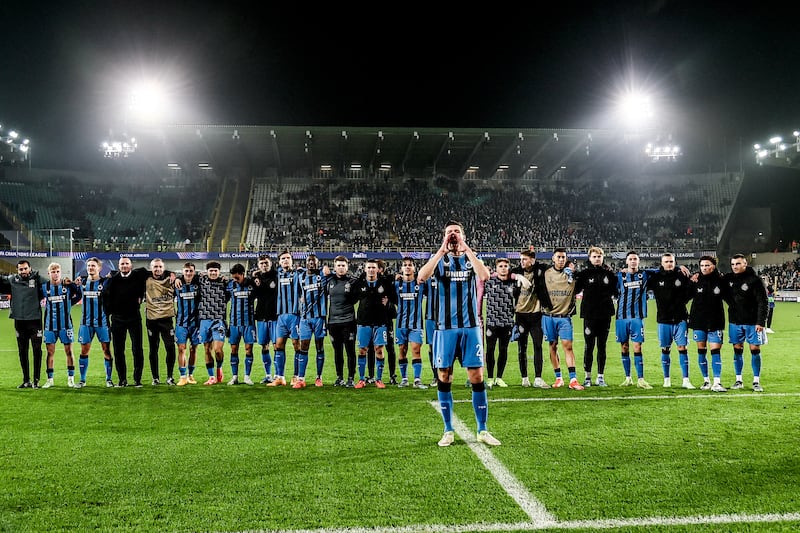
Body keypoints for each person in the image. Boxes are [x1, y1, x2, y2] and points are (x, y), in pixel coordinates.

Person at [418, 221, 499, 447]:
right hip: (445, 328)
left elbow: (484, 275)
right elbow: (421, 277)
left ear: (463, 235)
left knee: (477, 377)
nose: (453, 235)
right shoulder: (440, 261)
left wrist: (466, 248)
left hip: (471, 327)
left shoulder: (470, 260)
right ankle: (448, 430)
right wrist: (441, 250)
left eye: (456, 232)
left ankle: (482, 429)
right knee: (444, 377)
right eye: (449, 232)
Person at [536, 248, 584, 390]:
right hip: (548, 317)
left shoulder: (573, 276)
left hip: (564, 318)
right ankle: (559, 378)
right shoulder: (546, 273)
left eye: (563, 257)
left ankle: (573, 379)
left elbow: (584, 278)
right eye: (559, 257)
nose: (561, 259)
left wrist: (575, 273)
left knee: (568, 346)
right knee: (552, 346)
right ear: (553, 258)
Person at [645, 253, 694, 389]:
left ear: (675, 262)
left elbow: (690, 290)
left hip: (680, 319)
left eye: (672, 261)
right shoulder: (655, 278)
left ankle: (686, 380)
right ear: (662, 263)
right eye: (666, 261)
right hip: (663, 319)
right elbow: (643, 273)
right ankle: (666, 379)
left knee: (682, 348)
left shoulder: (681, 275)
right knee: (665, 349)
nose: (669, 264)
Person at [102, 256, 150, 387]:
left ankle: (137, 379)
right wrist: (110, 312)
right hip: (117, 319)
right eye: (122, 264)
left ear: (131, 265)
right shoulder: (112, 280)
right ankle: (122, 379)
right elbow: (105, 296)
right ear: (118, 266)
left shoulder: (139, 275)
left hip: (134, 318)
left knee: (137, 349)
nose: (124, 266)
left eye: (126, 264)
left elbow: (156, 272)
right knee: (118, 350)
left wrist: (172, 274)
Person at [574, 246, 617, 387]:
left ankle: (600, 376)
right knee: (589, 346)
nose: (597, 259)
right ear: (590, 258)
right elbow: (575, 289)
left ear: (602, 257)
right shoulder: (584, 274)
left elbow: (616, 292)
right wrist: (572, 275)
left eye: (599, 256)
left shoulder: (609, 274)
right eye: (594, 256)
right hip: (589, 315)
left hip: (605, 315)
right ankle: (587, 377)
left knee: (602, 346)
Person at [350, 258, 397, 388]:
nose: (371, 270)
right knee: (362, 350)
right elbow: (352, 299)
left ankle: (379, 379)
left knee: (379, 349)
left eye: (373, 267)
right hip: (363, 322)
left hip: (380, 322)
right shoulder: (359, 283)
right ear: (365, 269)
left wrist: (389, 303)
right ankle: (361, 379)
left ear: (378, 269)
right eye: (368, 267)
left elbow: (394, 298)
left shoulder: (385, 283)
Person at [724, 254, 768, 392]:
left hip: (752, 322)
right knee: (737, 350)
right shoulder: (728, 279)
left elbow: (763, 302)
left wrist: (760, 322)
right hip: (735, 321)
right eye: (733, 264)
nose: (735, 267)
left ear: (745, 264)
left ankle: (756, 381)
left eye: (738, 264)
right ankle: (739, 380)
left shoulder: (754, 280)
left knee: (754, 350)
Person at [0, 260, 46, 388]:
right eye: (21, 269)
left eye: (25, 268)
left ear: (30, 268)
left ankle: (36, 381)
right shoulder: (12, 280)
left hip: (35, 321)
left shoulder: (37, 279)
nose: (23, 271)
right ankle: (26, 380)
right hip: (19, 322)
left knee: (37, 350)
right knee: (22, 351)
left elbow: (51, 283)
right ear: (17, 270)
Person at [483, 257, 527, 388]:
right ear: (496, 268)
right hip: (492, 322)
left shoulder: (513, 283)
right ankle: (490, 377)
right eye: (500, 266)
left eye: (505, 266)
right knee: (490, 350)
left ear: (509, 268)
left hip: (507, 322)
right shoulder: (489, 281)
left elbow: (518, 300)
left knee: (503, 350)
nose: (503, 268)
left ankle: (499, 378)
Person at [615, 251, 656, 389]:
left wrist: (680, 268)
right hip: (621, 317)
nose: (633, 261)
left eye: (635, 259)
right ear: (626, 261)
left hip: (637, 317)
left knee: (637, 347)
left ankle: (641, 379)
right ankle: (628, 378)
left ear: (639, 261)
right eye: (631, 259)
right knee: (624, 346)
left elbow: (662, 270)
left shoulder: (644, 275)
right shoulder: (619, 276)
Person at [688, 256, 728, 391]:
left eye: (707, 265)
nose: (704, 268)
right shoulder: (696, 280)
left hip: (715, 321)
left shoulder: (721, 280)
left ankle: (717, 382)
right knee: (701, 351)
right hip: (698, 321)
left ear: (714, 266)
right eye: (702, 266)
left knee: (715, 351)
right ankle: (706, 381)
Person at [40, 263, 82, 388]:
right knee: (50, 353)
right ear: (49, 273)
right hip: (50, 326)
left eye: (58, 271)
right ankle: (50, 379)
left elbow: (79, 294)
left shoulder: (67, 286)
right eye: (53, 271)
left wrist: (73, 288)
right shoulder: (44, 287)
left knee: (69, 351)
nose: (56, 273)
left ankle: (71, 378)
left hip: (66, 325)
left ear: (60, 272)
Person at [511, 249, 549, 388]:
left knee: (538, 346)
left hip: (536, 315)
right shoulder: (517, 271)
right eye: (521, 259)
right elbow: (502, 273)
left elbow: (552, 268)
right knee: (522, 347)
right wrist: (518, 277)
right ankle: (524, 378)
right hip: (520, 315)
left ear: (532, 260)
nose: (521, 262)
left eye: (524, 259)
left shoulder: (540, 269)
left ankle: (538, 378)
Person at [76, 257, 114, 387]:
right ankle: (82, 380)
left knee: (106, 350)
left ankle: (109, 379)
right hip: (86, 323)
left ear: (99, 268)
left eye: (93, 266)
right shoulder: (82, 282)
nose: (90, 268)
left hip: (102, 323)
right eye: (89, 266)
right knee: (84, 350)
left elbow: (119, 276)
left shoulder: (105, 282)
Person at [267, 250, 302, 387]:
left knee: (296, 345)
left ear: (292, 260)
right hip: (281, 316)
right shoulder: (276, 275)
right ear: (279, 262)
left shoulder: (299, 273)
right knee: (278, 345)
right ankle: (280, 377)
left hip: (295, 315)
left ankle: (296, 376)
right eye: (283, 258)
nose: (285, 260)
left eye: (288, 258)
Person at [393, 257, 428, 389]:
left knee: (416, 350)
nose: (407, 267)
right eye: (405, 265)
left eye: (410, 265)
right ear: (401, 268)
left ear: (414, 268)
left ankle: (417, 379)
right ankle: (404, 378)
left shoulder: (420, 284)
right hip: (401, 323)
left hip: (416, 324)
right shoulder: (396, 284)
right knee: (402, 350)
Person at [295, 254, 328, 388]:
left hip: (319, 318)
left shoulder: (323, 276)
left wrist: (326, 269)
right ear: (306, 263)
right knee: (304, 347)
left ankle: (319, 377)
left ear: (318, 264)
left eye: (314, 262)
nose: (311, 264)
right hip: (305, 319)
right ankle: (301, 379)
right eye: (309, 261)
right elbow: (298, 293)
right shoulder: (300, 276)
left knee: (319, 347)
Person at [193, 261, 229, 385]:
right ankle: (211, 377)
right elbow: (188, 275)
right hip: (204, 320)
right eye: (211, 270)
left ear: (219, 272)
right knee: (207, 349)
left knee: (218, 350)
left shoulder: (225, 283)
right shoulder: (201, 280)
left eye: (215, 270)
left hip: (218, 320)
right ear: (207, 271)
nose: (213, 272)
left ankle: (219, 367)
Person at [325, 256, 358, 387]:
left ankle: (351, 377)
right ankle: (339, 377)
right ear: (335, 267)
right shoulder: (330, 280)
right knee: (337, 351)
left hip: (348, 321)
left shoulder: (353, 281)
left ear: (347, 267)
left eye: (343, 265)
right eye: (338, 265)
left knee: (350, 351)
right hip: (333, 322)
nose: (341, 268)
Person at [144, 258, 177, 385]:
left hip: (167, 319)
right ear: (151, 268)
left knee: (170, 347)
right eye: (155, 267)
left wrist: (174, 275)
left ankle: (170, 377)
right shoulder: (145, 279)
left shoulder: (172, 279)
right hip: (152, 320)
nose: (157, 269)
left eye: (160, 267)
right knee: (153, 349)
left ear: (163, 268)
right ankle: (155, 378)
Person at [226, 263, 257, 385]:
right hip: (234, 323)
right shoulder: (230, 285)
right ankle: (234, 376)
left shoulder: (252, 284)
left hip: (248, 323)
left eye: (237, 277)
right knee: (234, 349)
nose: (235, 279)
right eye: (233, 277)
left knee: (248, 349)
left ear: (242, 274)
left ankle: (247, 376)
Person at [252, 255, 278, 383]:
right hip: (261, 316)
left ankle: (278, 375)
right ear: (258, 265)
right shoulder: (256, 278)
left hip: (275, 316)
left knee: (277, 346)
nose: (264, 265)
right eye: (261, 263)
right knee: (264, 346)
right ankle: (268, 375)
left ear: (270, 263)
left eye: (266, 263)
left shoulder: (277, 275)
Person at [174, 262, 201, 386]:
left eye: (191, 271)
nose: (188, 273)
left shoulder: (198, 284)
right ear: (183, 272)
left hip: (196, 323)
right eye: (186, 271)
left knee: (193, 349)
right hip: (181, 323)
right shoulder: (177, 284)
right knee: (181, 349)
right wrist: (175, 278)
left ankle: (190, 374)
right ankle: (182, 376)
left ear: (194, 272)